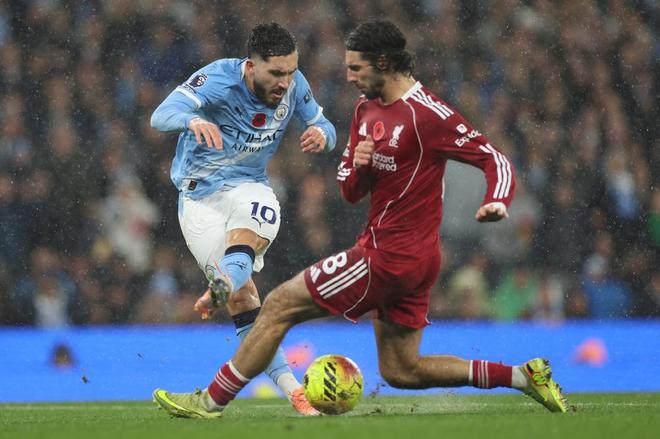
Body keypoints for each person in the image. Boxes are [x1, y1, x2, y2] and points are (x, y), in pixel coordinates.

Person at [152, 20, 567, 418]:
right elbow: (351, 190)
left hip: (389, 255)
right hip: (411, 257)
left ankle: (210, 402)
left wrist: (497, 200)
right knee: (402, 370)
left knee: (278, 305)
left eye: (355, 67)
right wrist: (360, 165)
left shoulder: (427, 114)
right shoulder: (366, 110)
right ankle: (522, 376)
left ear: (382, 64)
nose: (348, 77)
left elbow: (493, 158)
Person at [150, 22, 337, 416]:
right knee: (244, 299)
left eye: (290, 72)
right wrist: (192, 120)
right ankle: (229, 289)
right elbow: (161, 115)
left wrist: (323, 135)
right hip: (198, 199)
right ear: (251, 67)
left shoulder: (295, 85)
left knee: (244, 243)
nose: (285, 82)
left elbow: (326, 126)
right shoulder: (218, 78)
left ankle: (224, 283)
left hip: (250, 187)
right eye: (276, 73)